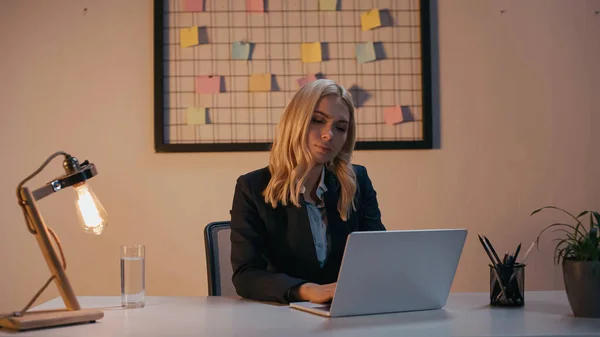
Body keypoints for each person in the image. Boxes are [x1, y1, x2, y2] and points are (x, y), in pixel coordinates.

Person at [229, 79, 385, 304]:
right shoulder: (252, 187)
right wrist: (308, 291)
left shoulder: (357, 181)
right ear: (295, 122)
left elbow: (378, 253)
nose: (329, 134)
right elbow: (246, 275)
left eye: (340, 127)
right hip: (282, 316)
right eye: (317, 120)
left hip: (347, 311)